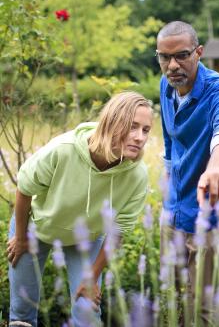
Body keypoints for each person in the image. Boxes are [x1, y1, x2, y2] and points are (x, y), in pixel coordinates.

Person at [7, 91, 153, 327]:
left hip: (86, 237)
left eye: (145, 130)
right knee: (23, 311)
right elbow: (24, 188)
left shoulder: (137, 175)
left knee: (87, 313)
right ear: (112, 123)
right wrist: (21, 237)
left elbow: (118, 230)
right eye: (132, 127)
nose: (139, 137)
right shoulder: (63, 149)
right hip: (35, 227)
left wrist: (92, 276)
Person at [156, 21, 219, 323]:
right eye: (163, 57)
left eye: (181, 55)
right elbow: (170, 143)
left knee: (206, 310)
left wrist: (218, 165)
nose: (172, 66)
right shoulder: (165, 86)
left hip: (212, 216)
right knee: (173, 299)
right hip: (174, 212)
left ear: (198, 52)